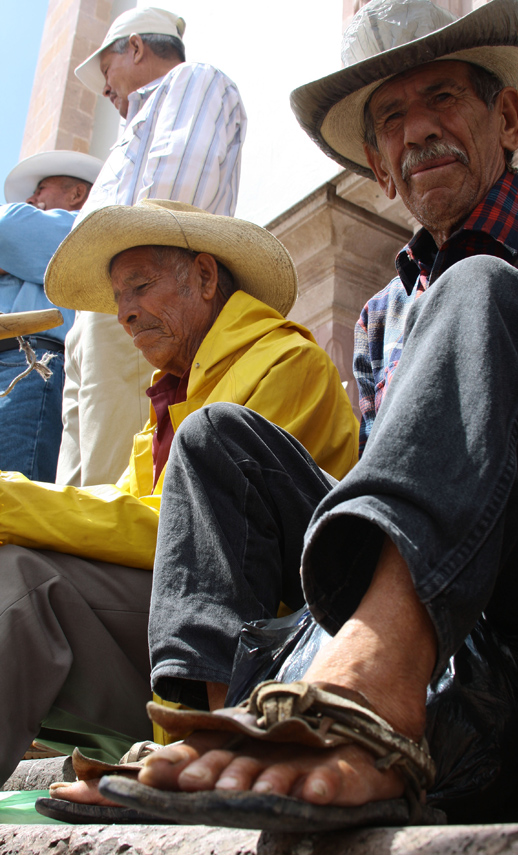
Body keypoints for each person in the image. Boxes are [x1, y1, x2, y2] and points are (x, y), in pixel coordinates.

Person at [51, 0, 518, 829]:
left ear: (506, 118)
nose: (420, 131)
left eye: (444, 100)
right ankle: (209, 725)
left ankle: (375, 692)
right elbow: (379, 489)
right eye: (393, 119)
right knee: (216, 438)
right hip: (421, 602)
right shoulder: (379, 316)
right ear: (378, 162)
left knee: (481, 288)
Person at [0, 197, 358, 788]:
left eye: (140, 287)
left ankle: (200, 739)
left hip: (269, 652)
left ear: (205, 276)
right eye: (119, 300)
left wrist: (13, 503)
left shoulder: (287, 362)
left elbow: (185, 535)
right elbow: (130, 524)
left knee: (19, 580)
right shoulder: (167, 399)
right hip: (177, 642)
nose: (127, 314)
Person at [57, 6, 247, 488]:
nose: (105, 87)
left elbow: (172, 201)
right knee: (75, 485)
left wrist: (135, 289)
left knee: (110, 483)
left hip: (140, 294)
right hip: (103, 311)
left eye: (106, 69)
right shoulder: (136, 123)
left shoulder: (192, 81)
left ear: (136, 47)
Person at [0, 150, 102, 480]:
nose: (32, 199)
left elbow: (6, 226)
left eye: (42, 189)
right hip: (19, 363)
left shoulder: (80, 227)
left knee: (15, 499)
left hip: (28, 362)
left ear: (77, 194)